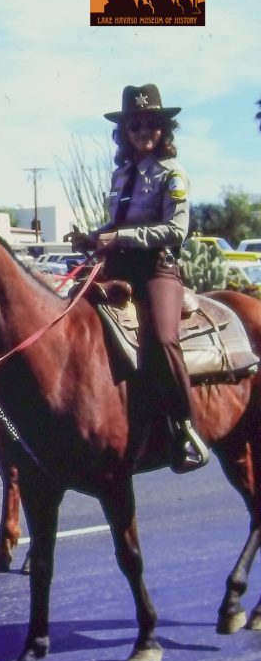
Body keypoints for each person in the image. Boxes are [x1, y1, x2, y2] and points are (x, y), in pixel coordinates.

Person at [71, 83, 208, 473]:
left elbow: (176, 230)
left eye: (151, 123)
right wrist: (93, 237)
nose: (143, 130)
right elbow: (116, 224)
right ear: (124, 132)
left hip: (155, 270)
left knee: (162, 339)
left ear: (164, 130)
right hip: (118, 266)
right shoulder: (122, 174)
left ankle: (185, 428)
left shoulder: (172, 174)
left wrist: (122, 238)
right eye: (135, 125)